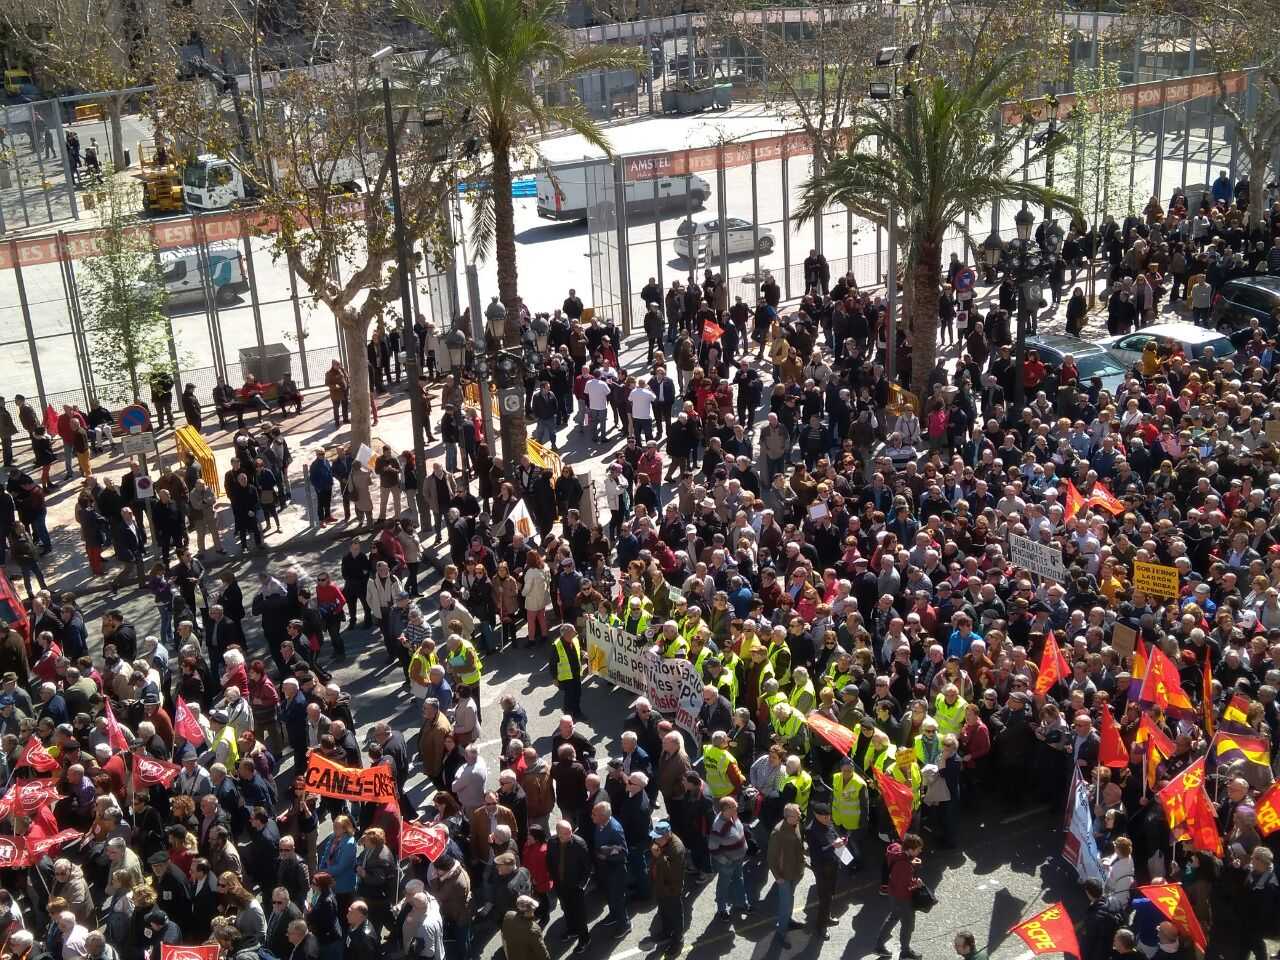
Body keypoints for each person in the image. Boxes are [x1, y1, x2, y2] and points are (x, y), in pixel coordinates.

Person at [874, 832, 925, 959]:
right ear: (910, 849)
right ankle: (905, 951)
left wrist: (912, 862)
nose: (920, 851)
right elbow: (905, 888)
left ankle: (879, 946)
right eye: (918, 850)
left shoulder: (897, 850)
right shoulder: (904, 866)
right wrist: (916, 884)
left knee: (893, 918)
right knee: (908, 924)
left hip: (892, 893)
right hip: (902, 898)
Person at [767, 802, 806, 947]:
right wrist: (778, 877)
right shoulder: (778, 832)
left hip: (796, 872)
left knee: (791, 898)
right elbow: (771, 857)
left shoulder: (796, 825)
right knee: (785, 903)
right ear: (789, 816)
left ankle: (789, 921)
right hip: (784, 875)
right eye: (797, 815)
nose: (800, 816)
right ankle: (781, 933)